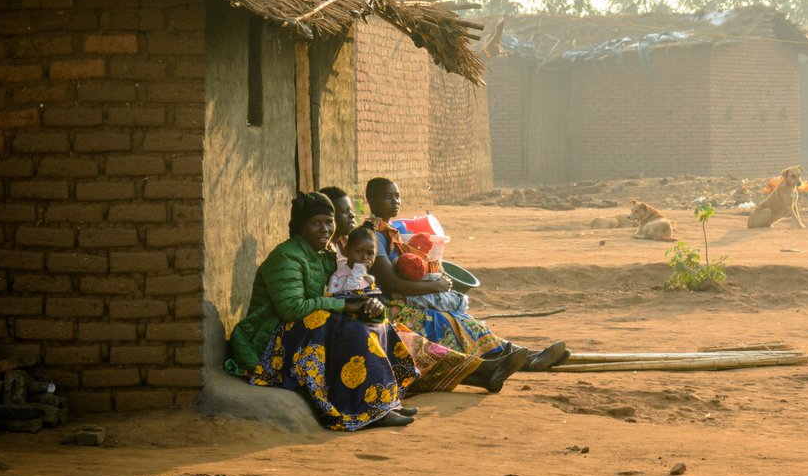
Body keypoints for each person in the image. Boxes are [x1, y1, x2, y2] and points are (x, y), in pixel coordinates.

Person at [226, 191, 416, 430]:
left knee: (374, 322)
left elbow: (345, 289)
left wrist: (370, 304)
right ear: (300, 227)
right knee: (349, 329)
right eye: (315, 223)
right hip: (271, 338)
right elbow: (292, 308)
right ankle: (369, 409)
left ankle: (385, 400)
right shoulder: (286, 257)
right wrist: (345, 306)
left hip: (303, 327)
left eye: (328, 222)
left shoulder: (325, 255)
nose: (325, 229)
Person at [320, 185, 520, 393]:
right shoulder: (354, 244)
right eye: (344, 211)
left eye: (351, 210)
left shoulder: (348, 243)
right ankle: (489, 368)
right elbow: (362, 288)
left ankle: (498, 362)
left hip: (370, 312)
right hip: (362, 316)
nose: (352, 215)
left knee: (432, 333)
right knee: (421, 339)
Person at [361, 176, 569, 375]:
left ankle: (526, 355)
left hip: (403, 301)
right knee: (448, 323)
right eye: (388, 197)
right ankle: (521, 359)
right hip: (388, 308)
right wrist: (437, 287)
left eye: (397, 196)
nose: (395, 201)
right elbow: (391, 282)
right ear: (371, 200)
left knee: (461, 319)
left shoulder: (388, 231)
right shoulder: (372, 235)